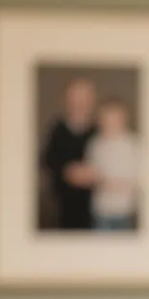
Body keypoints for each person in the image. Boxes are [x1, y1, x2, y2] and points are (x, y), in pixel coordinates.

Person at [40, 78, 100, 231]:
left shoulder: (100, 131)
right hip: (64, 201)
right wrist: (67, 171)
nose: (79, 103)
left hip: (95, 204)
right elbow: (48, 159)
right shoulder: (57, 129)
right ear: (66, 101)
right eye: (75, 98)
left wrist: (92, 173)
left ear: (92, 101)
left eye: (84, 98)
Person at [85, 99, 144, 231]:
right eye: (106, 118)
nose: (110, 123)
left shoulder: (133, 144)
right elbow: (91, 171)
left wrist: (120, 183)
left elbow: (140, 175)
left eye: (115, 119)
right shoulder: (95, 144)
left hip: (125, 208)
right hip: (101, 209)